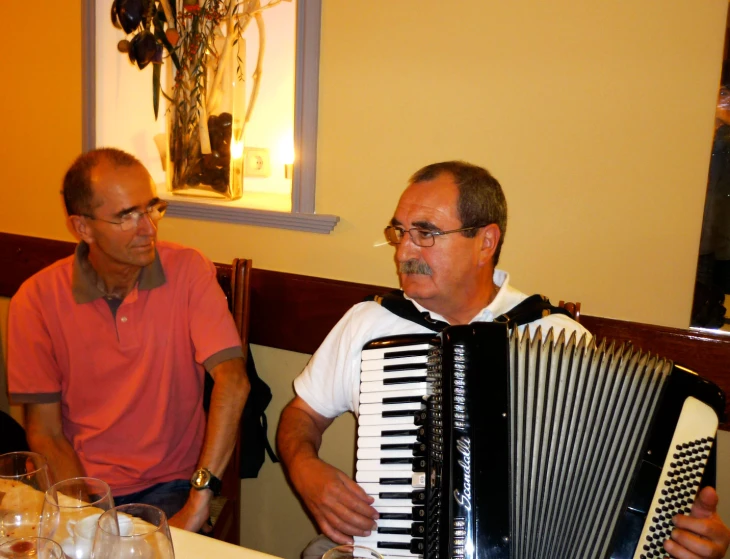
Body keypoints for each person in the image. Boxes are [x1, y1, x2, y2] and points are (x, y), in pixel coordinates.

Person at [277, 161, 730, 559]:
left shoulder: (556, 339)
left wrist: (686, 541)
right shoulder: (369, 323)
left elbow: (623, 497)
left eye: (426, 233)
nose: (403, 251)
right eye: (400, 231)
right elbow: (301, 415)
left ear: (485, 241)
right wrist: (305, 468)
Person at [7, 148, 250, 533]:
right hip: (79, 485)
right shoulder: (35, 300)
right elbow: (46, 433)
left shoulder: (188, 270)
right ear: (82, 227)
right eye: (128, 216)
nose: (149, 228)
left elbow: (233, 381)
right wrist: (87, 515)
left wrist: (200, 498)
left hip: (171, 485)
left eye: (152, 208)